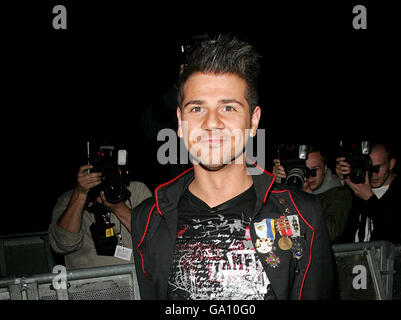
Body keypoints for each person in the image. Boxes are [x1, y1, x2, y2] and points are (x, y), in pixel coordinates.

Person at [112, 34, 333, 300]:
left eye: (228, 107)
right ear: (180, 121)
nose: (212, 122)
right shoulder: (148, 219)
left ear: (253, 121)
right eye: (197, 109)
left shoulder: (301, 213)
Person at [48, 164, 152, 269]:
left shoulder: (137, 191)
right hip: (90, 283)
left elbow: (153, 238)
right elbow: (63, 244)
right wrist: (80, 194)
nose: (102, 177)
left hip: (134, 281)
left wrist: (119, 208)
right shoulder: (69, 199)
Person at [273, 145, 353, 243]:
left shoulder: (339, 193)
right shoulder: (291, 190)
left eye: (314, 170)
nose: (309, 176)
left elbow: (330, 234)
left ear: (325, 168)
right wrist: (275, 184)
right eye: (303, 170)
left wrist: (307, 196)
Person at [335, 141, 401, 243]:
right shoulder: (360, 187)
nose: (373, 173)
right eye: (369, 168)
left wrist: (370, 199)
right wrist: (341, 181)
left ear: (391, 164)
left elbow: (396, 234)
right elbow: (341, 229)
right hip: (356, 256)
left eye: (377, 168)